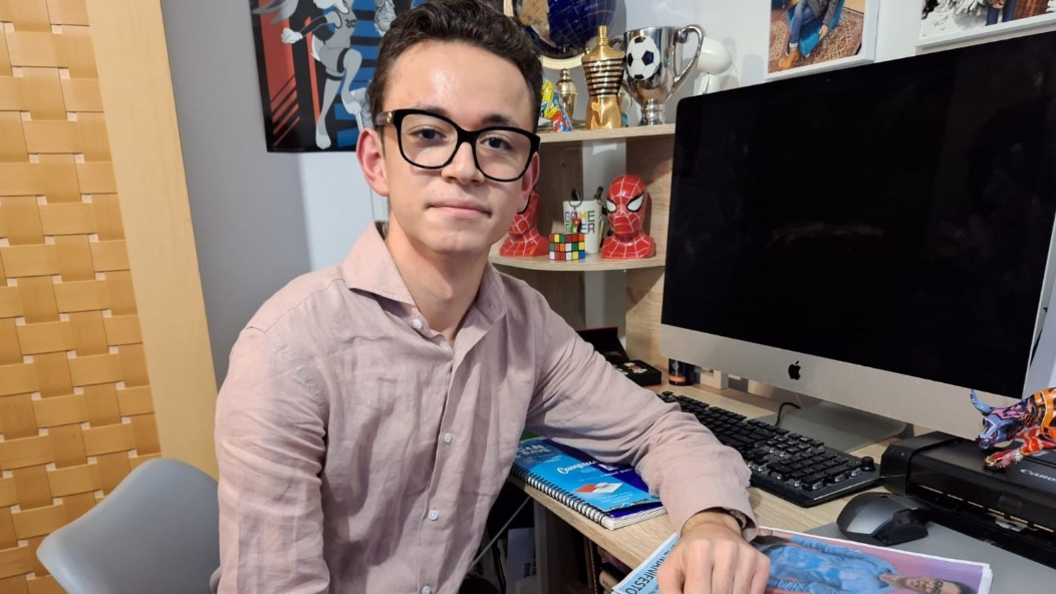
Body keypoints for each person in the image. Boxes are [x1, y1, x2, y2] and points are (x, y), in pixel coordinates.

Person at [214, 1, 769, 593]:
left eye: (498, 142)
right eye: (428, 134)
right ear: (376, 160)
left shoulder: (525, 323)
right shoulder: (286, 352)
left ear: (527, 180)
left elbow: (660, 431)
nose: (465, 167)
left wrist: (711, 524)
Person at [755, 530, 977, 594]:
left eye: (935, 593)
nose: (929, 587)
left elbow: (804, 586)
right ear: (934, 578)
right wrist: (782, 535)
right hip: (775, 544)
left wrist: (762, 578)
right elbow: (830, 548)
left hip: (760, 566)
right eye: (937, 584)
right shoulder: (879, 563)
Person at [779, 0, 840, 71]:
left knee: (796, 20)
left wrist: (826, 24)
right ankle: (793, 50)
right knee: (797, 11)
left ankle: (792, 51)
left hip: (816, 6)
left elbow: (832, 6)